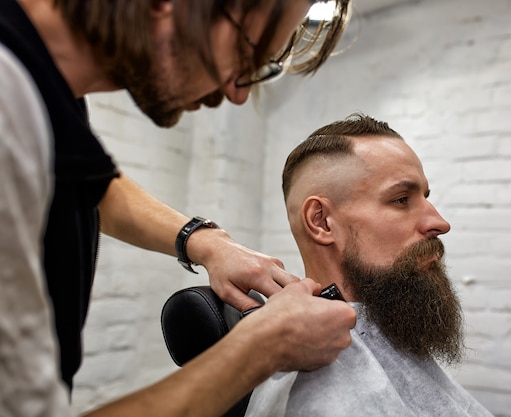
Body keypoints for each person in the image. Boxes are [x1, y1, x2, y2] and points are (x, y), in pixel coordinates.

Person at [0, 0, 357, 416]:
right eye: (246, 53)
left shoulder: (46, 91)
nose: (238, 93)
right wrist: (264, 348)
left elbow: (89, 180)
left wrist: (204, 241)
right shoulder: (9, 108)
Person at [243, 114, 494, 417]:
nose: (439, 223)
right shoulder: (319, 397)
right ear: (322, 222)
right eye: (401, 200)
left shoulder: (388, 330)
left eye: (425, 197)